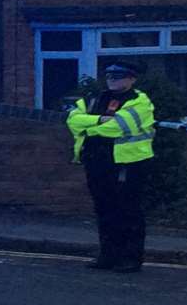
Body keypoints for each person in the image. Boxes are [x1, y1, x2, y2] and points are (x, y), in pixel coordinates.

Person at [66, 59, 157, 273]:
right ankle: (108, 255)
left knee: (128, 210)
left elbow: (119, 127)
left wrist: (89, 125)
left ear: (132, 79)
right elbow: (72, 120)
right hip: (96, 161)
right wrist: (100, 121)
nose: (112, 80)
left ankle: (131, 258)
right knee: (104, 209)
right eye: (109, 76)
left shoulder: (139, 101)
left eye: (118, 76)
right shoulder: (95, 98)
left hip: (127, 163)